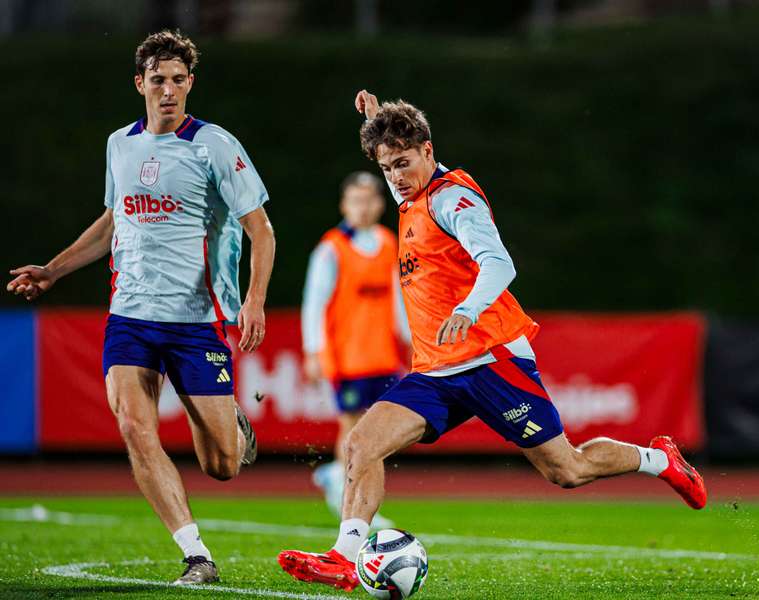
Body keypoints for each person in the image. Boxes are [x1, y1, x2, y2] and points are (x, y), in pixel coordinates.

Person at [277, 91, 706, 592]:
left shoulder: (452, 198)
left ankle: (659, 460)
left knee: (566, 470)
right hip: (437, 372)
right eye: (387, 166)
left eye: (403, 162)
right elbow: (394, 167)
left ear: (429, 150)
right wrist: (376, 122)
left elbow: (500, 262)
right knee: (361, 444)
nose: (395, 176)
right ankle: (343, 559)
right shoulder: (410, 194)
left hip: (490, 359)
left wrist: (467, 308)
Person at [6, 30, 275, 585]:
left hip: (196, 321)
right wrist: (53, 270)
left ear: (190, 84)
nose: (169, 90)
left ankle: (232, 428)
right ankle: (197, 555)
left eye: (178, 80)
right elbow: (113, 221)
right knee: (133, 425)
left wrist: (253, 300)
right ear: (140, 84)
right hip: (130, 316)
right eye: (158, 80)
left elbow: (261, 231)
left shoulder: (216, 146)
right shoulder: (119, 145)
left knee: (221, 465)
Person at [302, 171, 409, 528]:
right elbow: (314, 303)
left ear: (380, 203)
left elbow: (397, 299)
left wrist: (409, 339)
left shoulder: (388, 242)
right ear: (344, 205)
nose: (362, 207)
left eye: (368, 200)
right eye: (355, 200)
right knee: (352, 429)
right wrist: (314, 351)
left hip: (381, 354)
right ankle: (346, 498)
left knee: (379, 429)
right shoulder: (331, 248)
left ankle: (341, 481)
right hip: (346, 356)